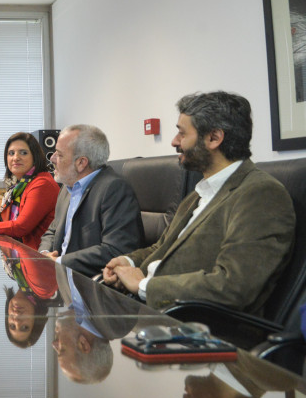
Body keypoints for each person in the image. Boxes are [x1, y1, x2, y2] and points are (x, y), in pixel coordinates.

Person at [103, 91, 295, 312]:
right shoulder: (199, 193)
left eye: (182, 134)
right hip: (153, 313)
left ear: (214, 138)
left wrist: (144, 285)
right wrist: (128, 262)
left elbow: (234, 286)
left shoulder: (261, 195)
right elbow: (163, 248)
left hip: (200, 329)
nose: (175, 141)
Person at [37, 124, 144, 277]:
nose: (52, 158)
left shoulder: (114, 189)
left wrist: (60, 261)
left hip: (90, 284)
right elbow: (53, 230)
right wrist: (45, 253)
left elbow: (116, 249)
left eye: (59, 155)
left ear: (81, 163)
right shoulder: (67, 188)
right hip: (61, 279)